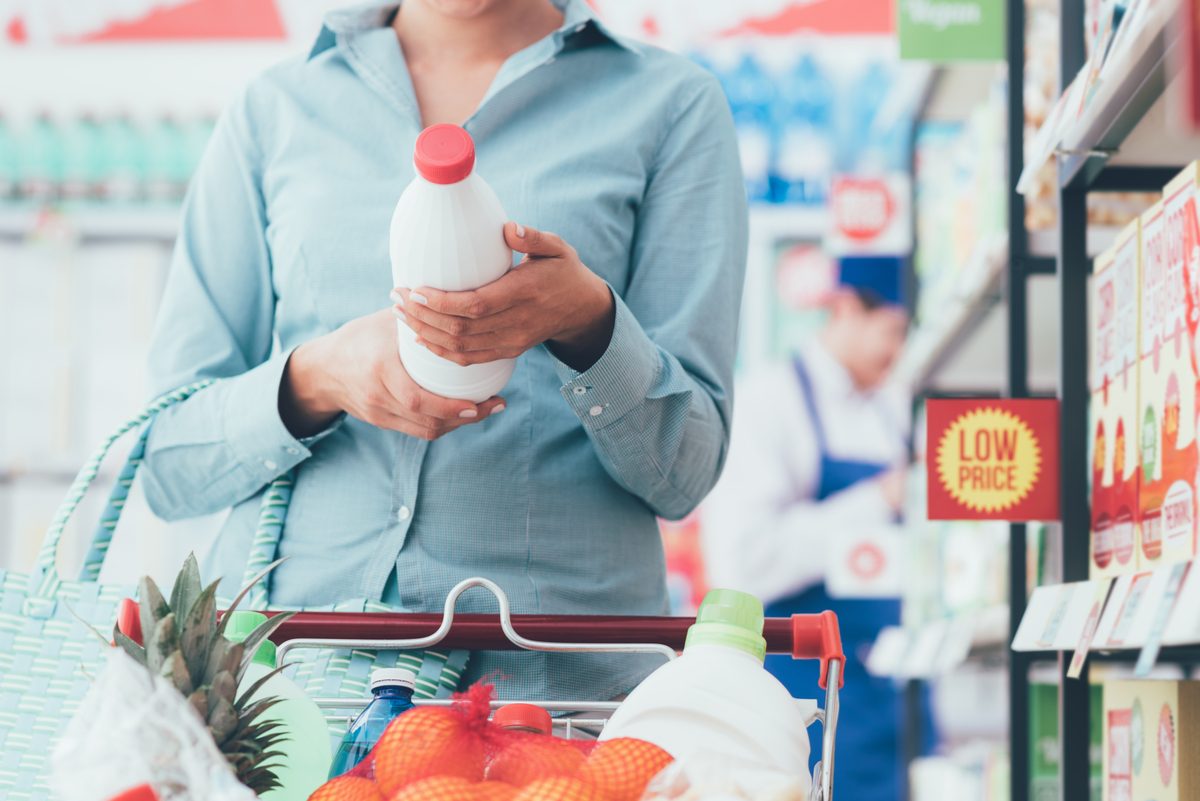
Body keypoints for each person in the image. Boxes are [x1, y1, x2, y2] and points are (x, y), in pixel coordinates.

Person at [139, 0, 747, 703]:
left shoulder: (670, 106)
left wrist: (589, 322)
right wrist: (313, 381)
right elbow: (167, 462)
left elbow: (685, 474)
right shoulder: (276, 109)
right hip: (290, 699)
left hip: (551, 702)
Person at [702, 255, 917, 801]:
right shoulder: (771, 402)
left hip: (886, 695)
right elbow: (747, 561)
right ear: (844, 308)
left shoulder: (890, 407)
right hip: (800, 697)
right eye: (892, 329)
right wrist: (878, 499)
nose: (899, 350)